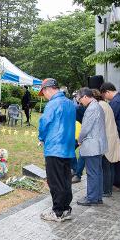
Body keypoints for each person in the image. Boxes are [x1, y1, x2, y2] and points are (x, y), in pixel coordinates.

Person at [38, 78, 76, 222]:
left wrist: (41, 138)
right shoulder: (70, 103)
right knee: (66, 180)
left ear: (48, 89)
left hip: (54, 147)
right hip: (67, 147)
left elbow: (44, 123)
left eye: (44, 93)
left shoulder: (52, 104)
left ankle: (57, 212)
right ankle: (66, 209)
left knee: (55, 181)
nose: (45, 96)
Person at [76, 88, 107, 206]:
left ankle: (92, 198)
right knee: (97, 172)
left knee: (92, 172)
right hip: (97, 145)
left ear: (85, 97)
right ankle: (97, 196)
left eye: (80, 100)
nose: (80, 102)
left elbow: (85, 129)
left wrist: (79, 140)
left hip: (92, 146)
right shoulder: (97, 106)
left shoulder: (91, 108)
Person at [93, 89, 120, 197]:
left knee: (105, 166)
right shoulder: (105, 104)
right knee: (109, 166)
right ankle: (108, 189)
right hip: (111, 137)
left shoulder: (99, 106)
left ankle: (106, 190)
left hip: (106, 139)